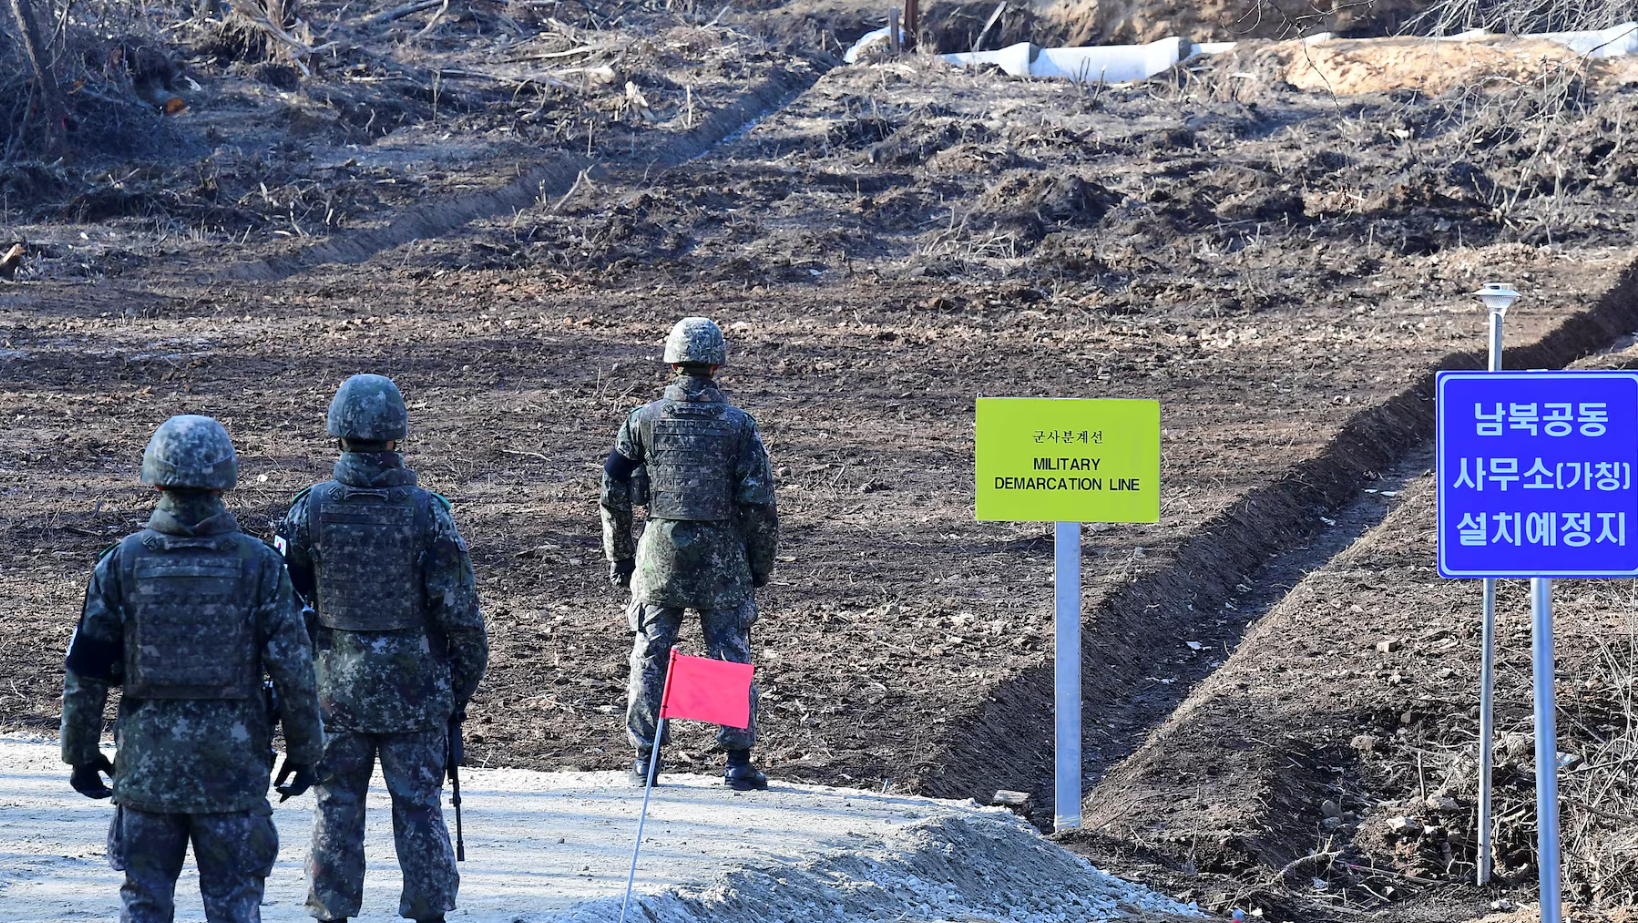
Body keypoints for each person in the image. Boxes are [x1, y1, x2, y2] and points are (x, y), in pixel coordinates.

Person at [61, 414, 324, 923]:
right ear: (224, 481)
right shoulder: (259, 565)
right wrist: (305, 751)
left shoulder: (121, 563)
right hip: (233, 776)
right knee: (234, 907)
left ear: (155, 480)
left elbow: (86, 671)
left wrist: (81, 753)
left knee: (144, 904)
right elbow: (294, 671)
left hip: (147, 775)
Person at [277, 374, 488, 923]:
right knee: (420, 809)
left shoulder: (308, 510)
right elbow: (464, 621)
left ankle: (331, 911)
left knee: (335, 807)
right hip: (416, 698)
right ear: (398, 435)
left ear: (338, 434)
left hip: (334, 695)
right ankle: (429, 911)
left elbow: (283, 609)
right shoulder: (428, 513)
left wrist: (300, 687)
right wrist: (452, 692)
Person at [600, 317, 780, 791]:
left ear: (672, 363)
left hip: (659, 559)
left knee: (651, 652)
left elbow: (612, 491)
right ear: (716, 365)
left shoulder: (641, 421)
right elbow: (759, 504)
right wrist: (759, 564)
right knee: (728, 656)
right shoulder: (739, 427)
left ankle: (646, 759)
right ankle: (736, 763)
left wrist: (620, 556)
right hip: (723, 562)